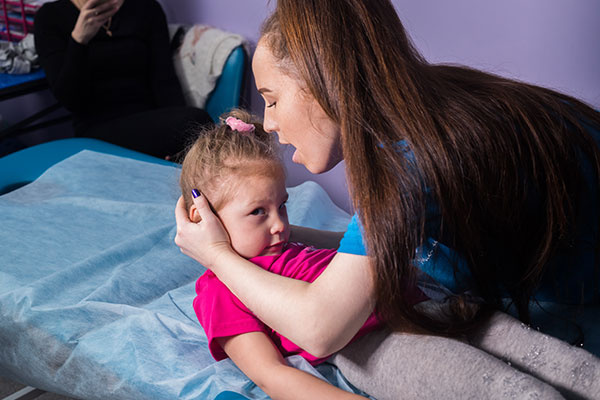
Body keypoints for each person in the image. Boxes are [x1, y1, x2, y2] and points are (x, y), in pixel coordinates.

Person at [175, 1, 600, 398]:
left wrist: (216, 253)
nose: (267, 123)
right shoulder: (428, 111)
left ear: (326, 83)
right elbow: (376, 239)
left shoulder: (410, 162)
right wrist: (253, 235)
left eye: (271, 98)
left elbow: (319, 328)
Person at [180, 109, 387, 399]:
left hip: (428, 305)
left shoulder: (286, 249)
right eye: (257, 212)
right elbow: (271, 375)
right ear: (202, 217)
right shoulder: (219, 291)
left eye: (282, 206)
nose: (279, 224)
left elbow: (358, 245)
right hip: (380, 341)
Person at [34, 0, 212, 159]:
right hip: (96, 128)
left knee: (195, 126)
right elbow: (69, 99)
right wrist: (79, 40)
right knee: (194, 122)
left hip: (149, 119)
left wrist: (174, 137)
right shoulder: (50, 17)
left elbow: (164, 82)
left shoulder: (146, 8)